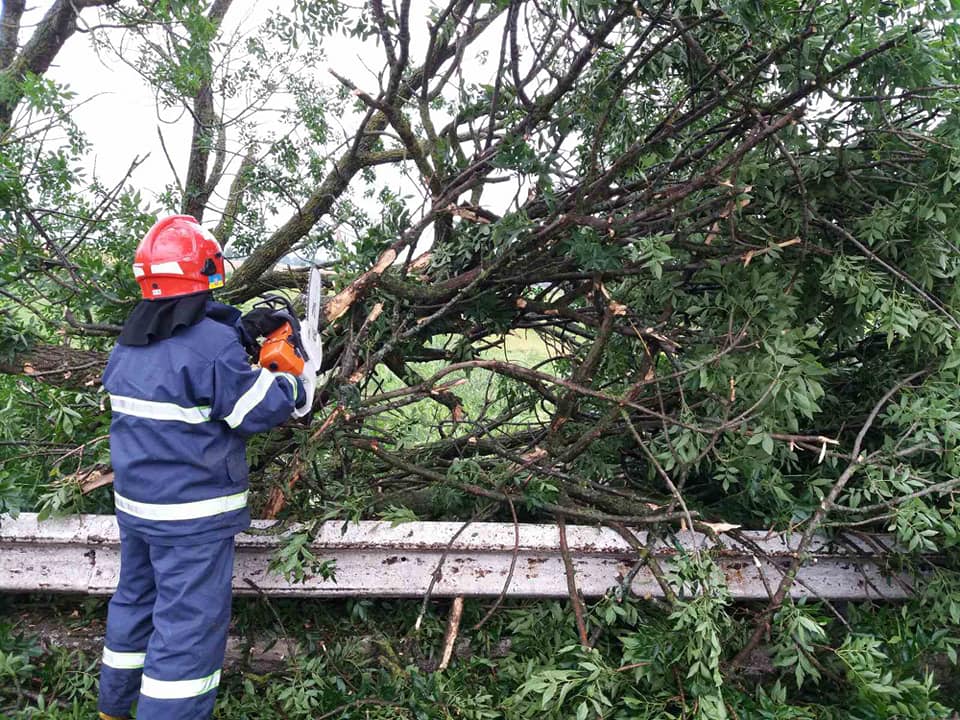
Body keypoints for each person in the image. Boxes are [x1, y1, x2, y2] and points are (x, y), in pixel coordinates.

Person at [96, 215, 315, 720]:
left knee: (134, 604)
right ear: (208, 271)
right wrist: (301, 381)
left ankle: (114, 708)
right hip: (192, 519)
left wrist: (242, 329)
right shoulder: (211, 350)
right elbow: (257, 409)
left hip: (139, 511)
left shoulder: (129, 344)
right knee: (188, 628)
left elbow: (184, 346)